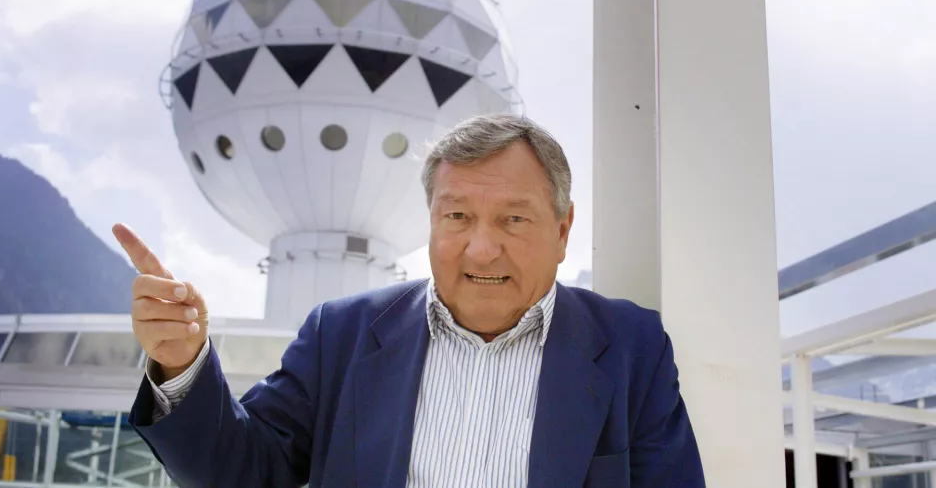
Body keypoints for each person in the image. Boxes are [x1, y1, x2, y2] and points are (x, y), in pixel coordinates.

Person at [116, 114, 705, 487]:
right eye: (457, 216)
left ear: (562, 228)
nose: (480, 249)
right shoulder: (340, 336)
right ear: (430, 220)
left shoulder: (631, 347)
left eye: (513, 219)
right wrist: (182, 364)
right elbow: (240, 473)